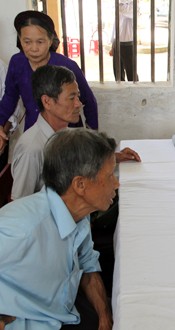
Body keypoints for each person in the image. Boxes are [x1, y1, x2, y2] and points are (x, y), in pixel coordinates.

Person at [0, 128, 118, 329]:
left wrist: (105, 317)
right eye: (109, 177)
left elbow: (88, 266)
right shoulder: (22, 229)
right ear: (80, 185)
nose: (117, 184)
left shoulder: (78, 214)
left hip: (65, 312)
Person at [11, 64, 140, 200]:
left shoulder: (65, 134)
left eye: (78, 97)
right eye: (72, 98)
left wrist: (115, 157)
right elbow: (20, 204)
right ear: (47, 102)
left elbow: (79, 163)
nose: (78, 104)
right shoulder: (32, 148)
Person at [0, 10, 99, 152]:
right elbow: (9, 97)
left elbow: (89, 101)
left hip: (68, 137)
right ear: (20, 40)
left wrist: (92, 136)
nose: (33, 48)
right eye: (27, 42)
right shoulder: (17, 63)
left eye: (40, 42)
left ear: (51, 40)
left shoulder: (67, 66)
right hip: (34, 135)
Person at [109, 0, 137, 81]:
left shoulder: (133, 4)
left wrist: (118, 6)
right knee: (117, 72)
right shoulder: (119, 5)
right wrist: (112, 45)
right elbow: (115, 26)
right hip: (116, 43)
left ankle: (134, 90)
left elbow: (130, 13)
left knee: (131, 73)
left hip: (128, 44)